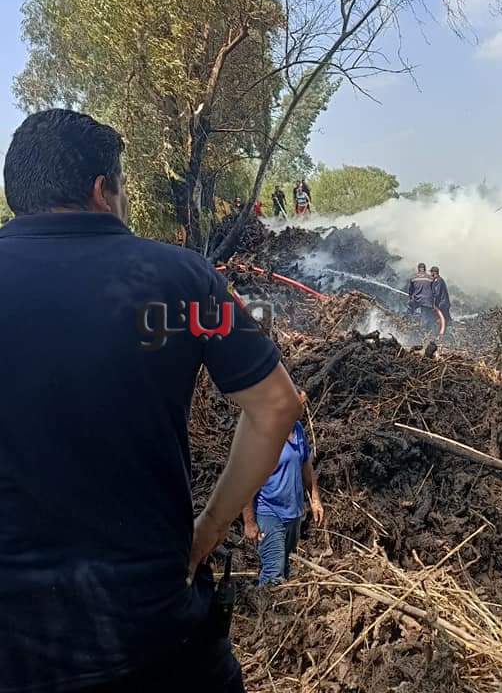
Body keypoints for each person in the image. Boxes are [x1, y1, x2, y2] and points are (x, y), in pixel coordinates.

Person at [0, 109, 303, 693]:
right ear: (102, 189)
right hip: (153, 633)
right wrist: (208, 530)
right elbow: (276, 407)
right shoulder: (183, 280)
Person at [242, 390, 324, 585]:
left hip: (293, 515)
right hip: (270, 512)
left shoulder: (298, 430)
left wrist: (315, 500)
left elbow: (306, 466)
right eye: (300, 405)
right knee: (273, 573)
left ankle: (279, 603)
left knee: (284, 567)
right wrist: (249, 522)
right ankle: (264, 603)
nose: (304, 409)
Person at [407, 262, 436, 331]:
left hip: (417, 299)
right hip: (427, 301)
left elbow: (410, 290)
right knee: (425, 316)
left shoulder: (413, 278)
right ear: (425, 269)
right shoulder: (431, 278)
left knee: (410, 308)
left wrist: (411, 297)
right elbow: (434, 291)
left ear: (418, 269)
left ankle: (409, 322)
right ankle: (423, 329)